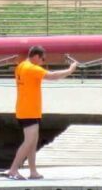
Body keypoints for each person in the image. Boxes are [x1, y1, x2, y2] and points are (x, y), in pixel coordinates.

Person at [8, 46, 78, 179]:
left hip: (28, 109)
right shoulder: (31, 68)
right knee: (29, 142)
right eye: (42, 59)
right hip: (28, 110)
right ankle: (13, 169)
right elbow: (52, 76)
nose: (43, 62)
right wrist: (70, 70)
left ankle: (33, 171)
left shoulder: (21, 66)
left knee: (33, 142)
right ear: (36, 56)